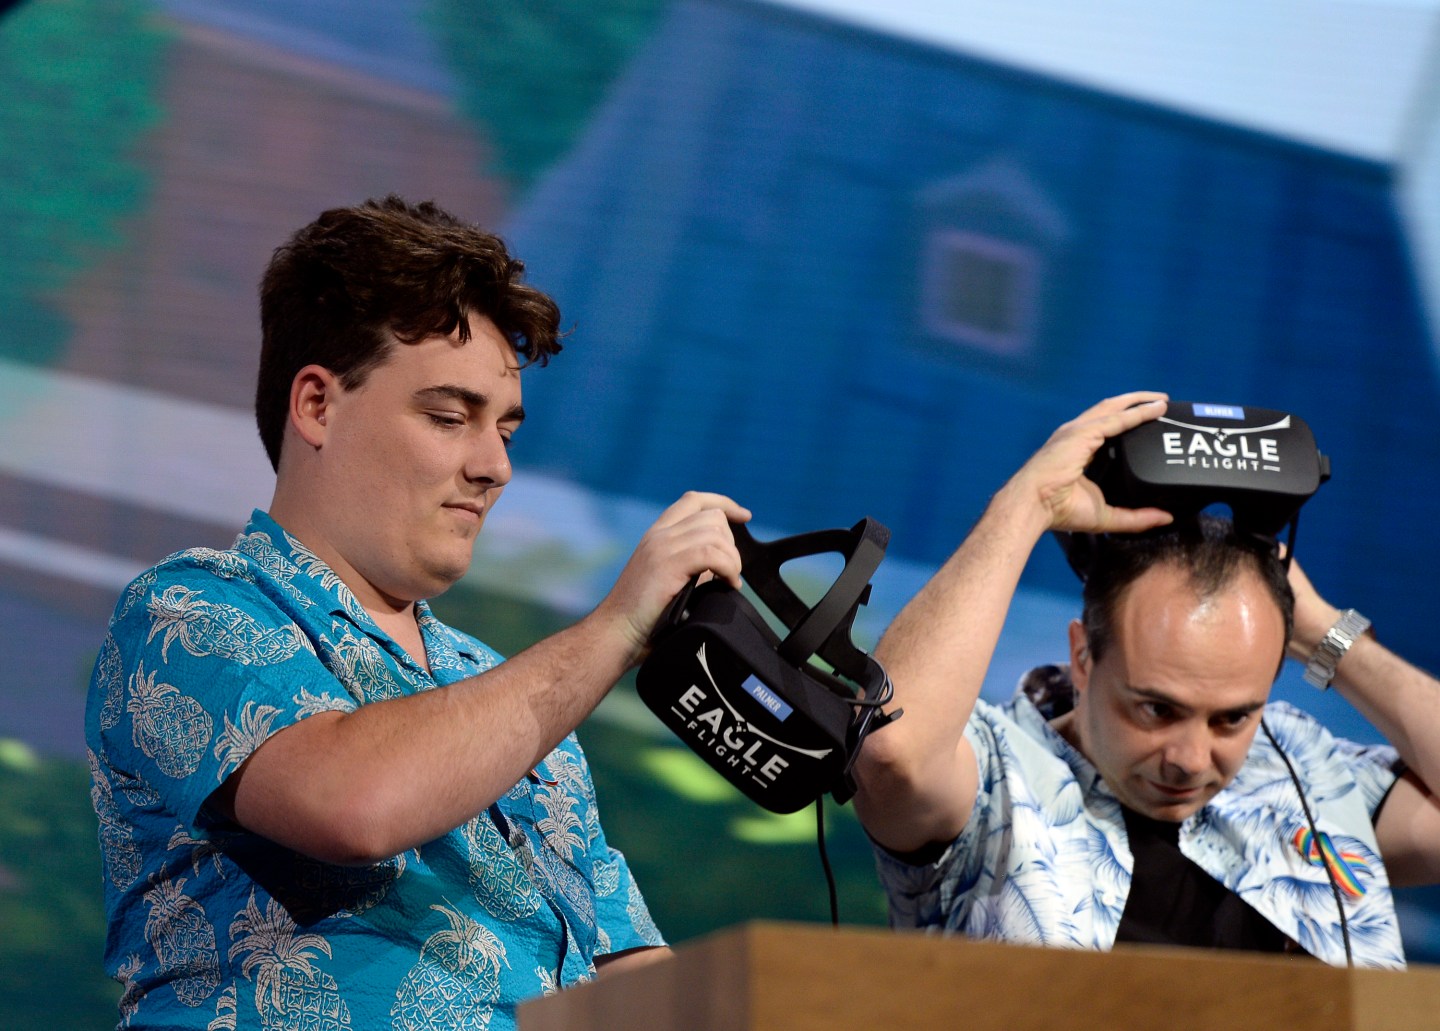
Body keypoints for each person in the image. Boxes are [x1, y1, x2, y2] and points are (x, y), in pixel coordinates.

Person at [84, 196, 749, 1029]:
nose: (495, 465)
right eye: (449, 417)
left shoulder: (504, 689)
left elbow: (636, 984)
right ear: (317, 405)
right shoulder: (187, 608)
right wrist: (616, 626)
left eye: (506, 431)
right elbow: (353, 802)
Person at [852, 392, 1440, 968]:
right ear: (1082, 657)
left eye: (1233, 718)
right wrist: (1027, 504)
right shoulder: (996, 773)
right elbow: (891, 748)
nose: (1189, 760)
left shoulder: (1302, 765)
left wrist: (1326, 637)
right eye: (1157, 709)